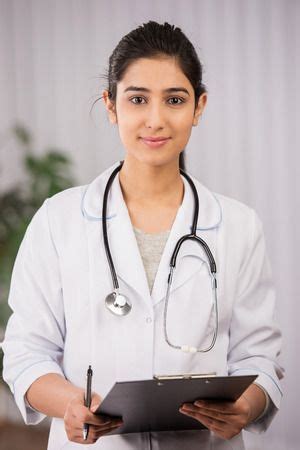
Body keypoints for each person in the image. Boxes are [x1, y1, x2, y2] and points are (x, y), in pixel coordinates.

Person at [2, 21, 283, 450]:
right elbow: (26, 351)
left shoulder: (239, 226)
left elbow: (258, 356)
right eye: (137, 99)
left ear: (199, 106)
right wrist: (70, 405)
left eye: (175, 99)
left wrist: (246, 407)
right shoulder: (58, 221)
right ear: (111, 106)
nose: (156, 119)